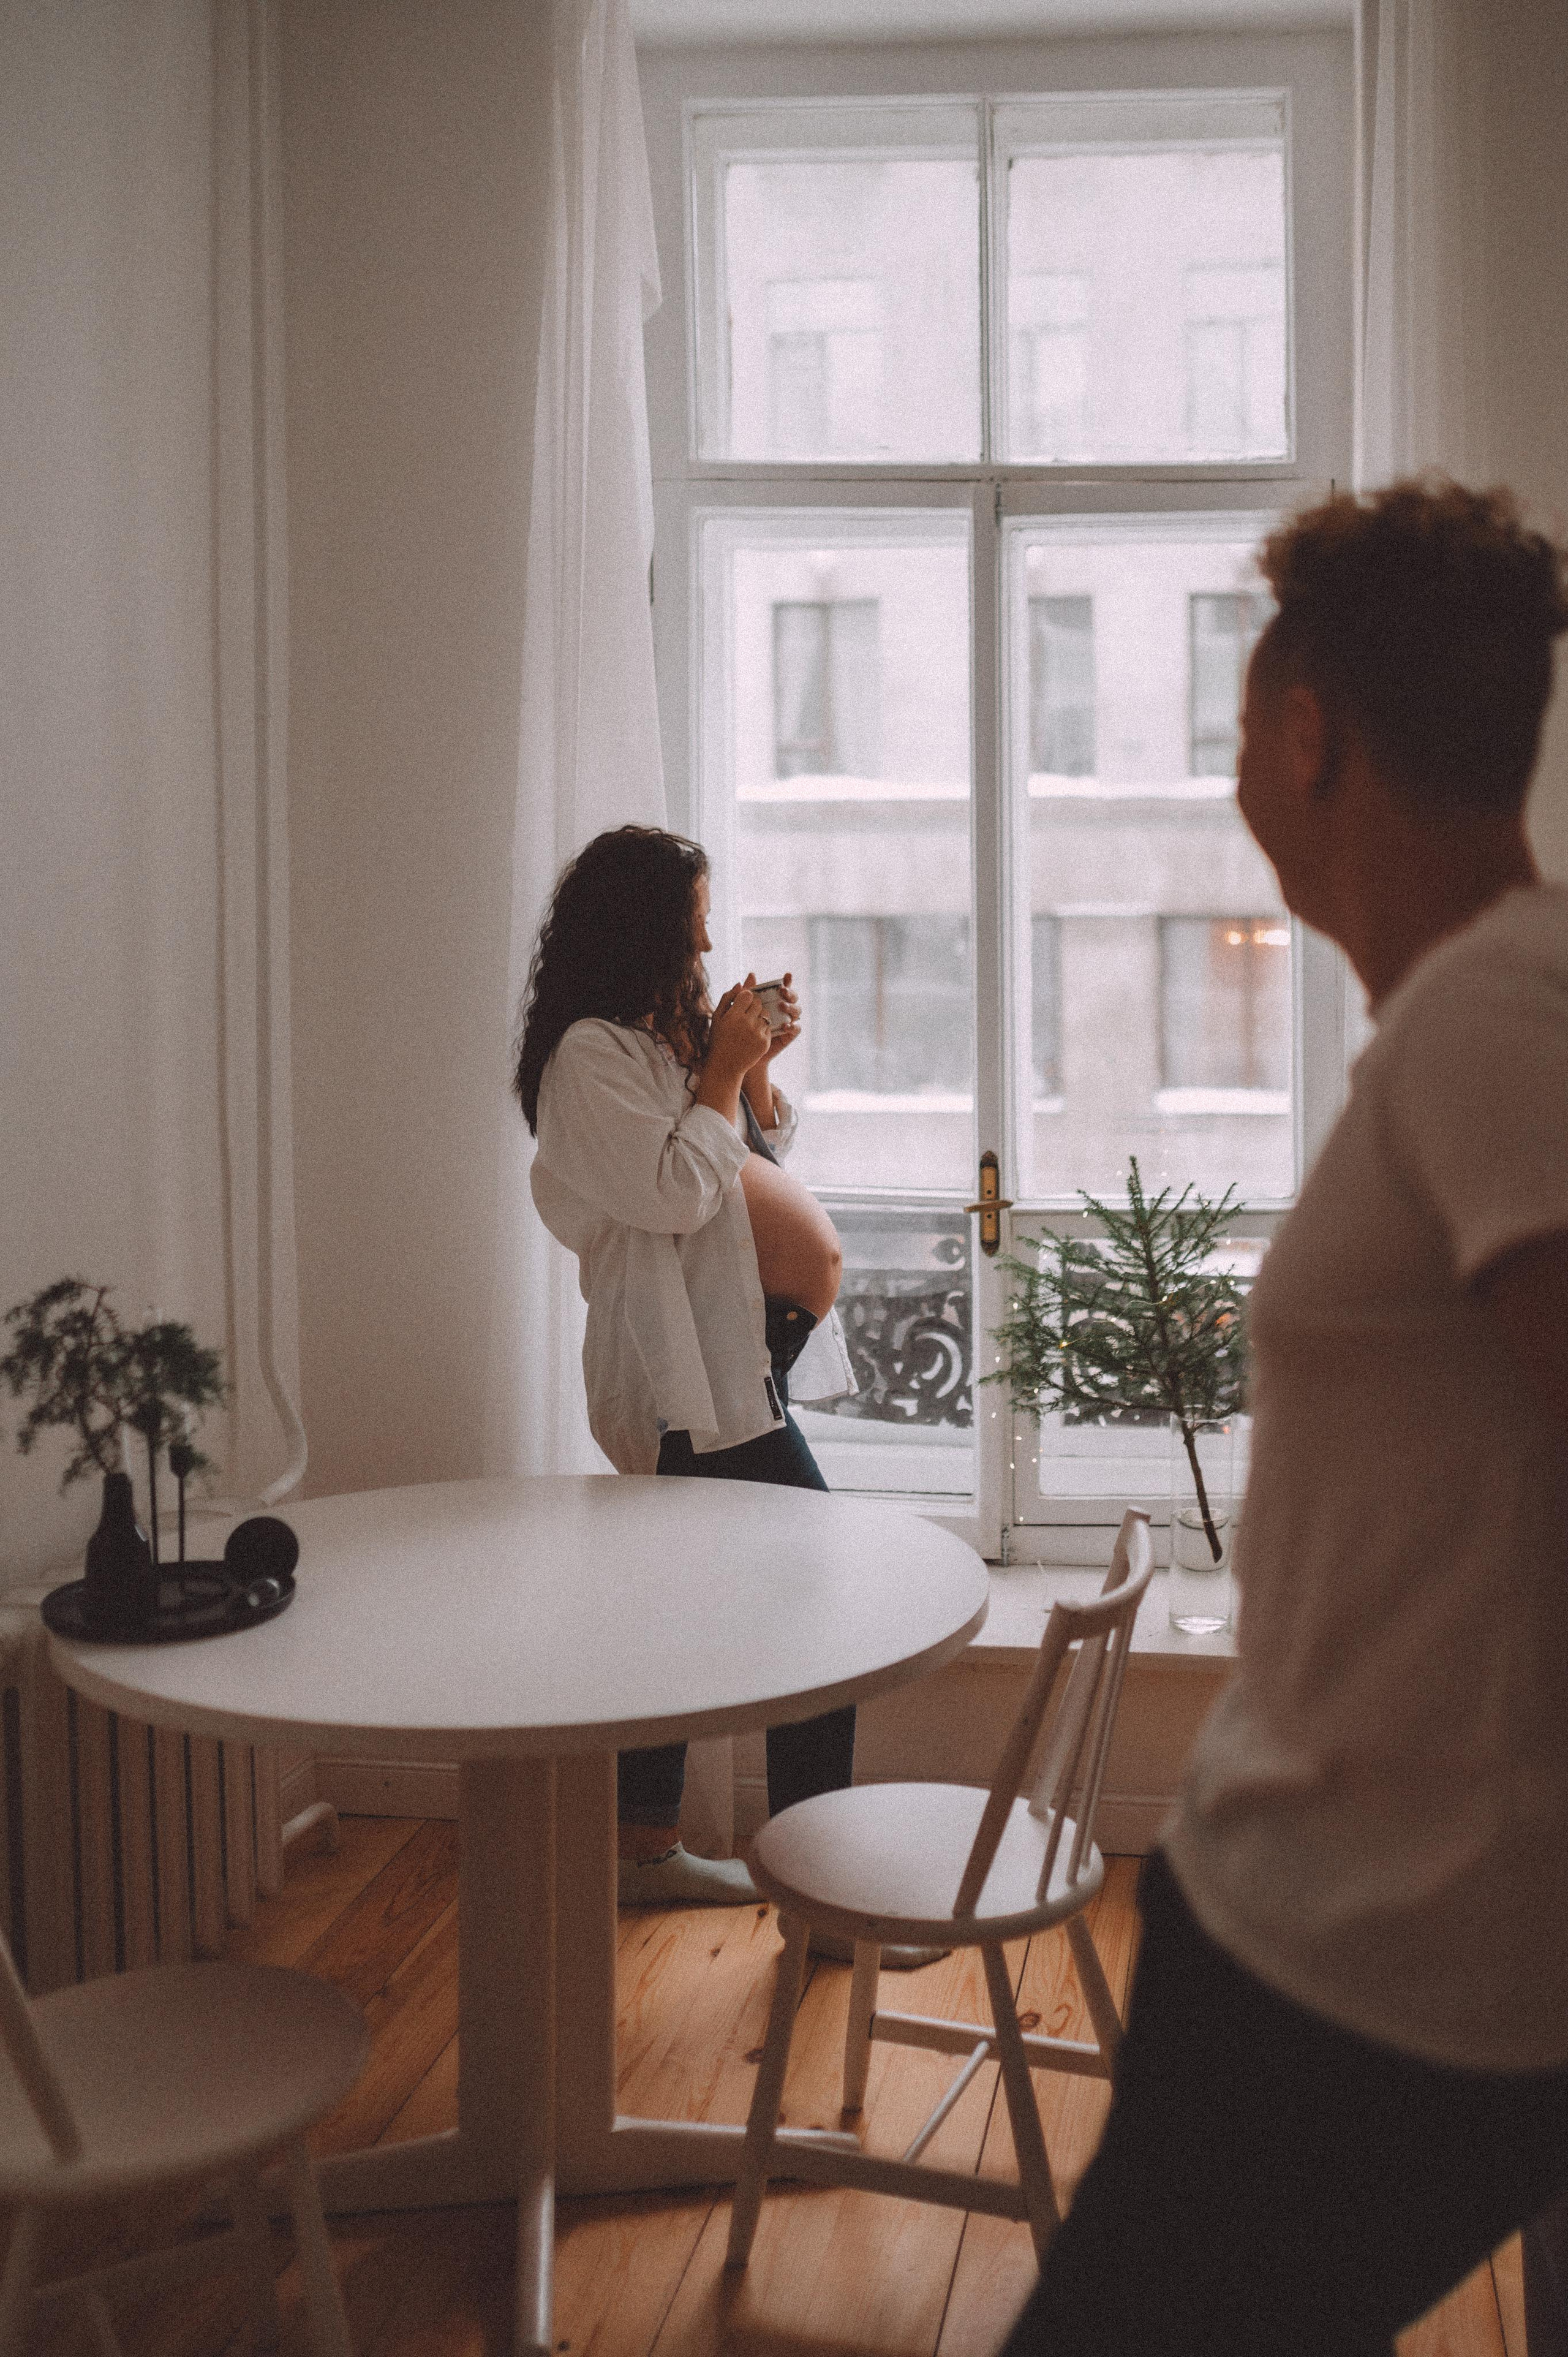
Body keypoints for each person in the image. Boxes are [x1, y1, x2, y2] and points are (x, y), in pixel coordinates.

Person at [1001, 479, 1568, 2356]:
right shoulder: (1482, 1009)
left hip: (1359, 1965)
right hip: (1355, 1939)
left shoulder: (1493, 1012)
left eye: (1245, 717)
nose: (1238, 763)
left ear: (1307, 734)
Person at [515, 826, 859, 1911]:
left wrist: (749, 1078)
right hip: (683, 1377)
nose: (709, 937)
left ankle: (644, 1852)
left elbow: (745, 1169)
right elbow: (673, 1195)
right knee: (817, 1620)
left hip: (735, 1360)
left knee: (663, 1612)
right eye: (695, 918)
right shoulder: (587, 1058)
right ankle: (820, 1885)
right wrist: (719, 1070)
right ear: (643, 928)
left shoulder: (655, 1042)